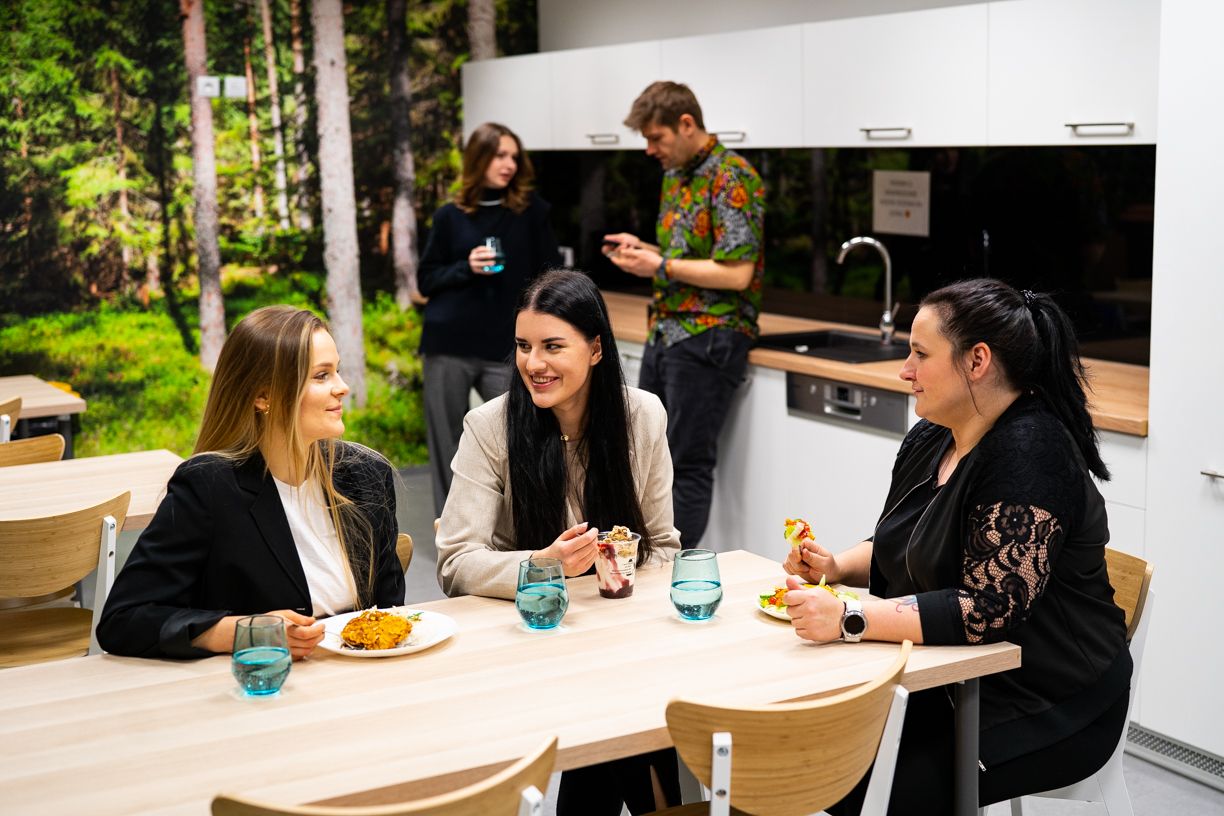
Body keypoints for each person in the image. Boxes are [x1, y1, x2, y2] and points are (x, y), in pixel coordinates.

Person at [781, 279, 1131, 814]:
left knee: (854, 781)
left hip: (1044, 698)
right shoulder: (933, 436)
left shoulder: (1029, 453)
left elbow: (984, 610)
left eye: (919, 354)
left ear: (977, 361)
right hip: (947, 675)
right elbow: (901, 541)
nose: (904, 369)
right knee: (807, 746)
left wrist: (850, 618)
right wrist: (834, 567)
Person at [435, 269, 681, 815]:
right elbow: (454, 563)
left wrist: (621, 590)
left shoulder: (642, 416)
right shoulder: (489, 426)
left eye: (552, 346)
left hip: (620, 649)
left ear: (595, 350)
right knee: (621, 734)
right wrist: (541, 566)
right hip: (529, 647)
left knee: (617, 716)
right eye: (523, 346)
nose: (532, 363)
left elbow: (663, 545)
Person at [97, 306, 405, 660]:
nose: (343, 388)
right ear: (264, 396)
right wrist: (245, 632)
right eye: (321, 376)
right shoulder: (209, 487)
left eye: (338, 371)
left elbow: (389, 611)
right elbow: (123, 620)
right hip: (263, 688)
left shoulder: (366, 475)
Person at [604, 80, 765, 550]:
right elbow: (688, 256)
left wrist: (660, 264)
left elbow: (736, 273)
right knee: (650, 456)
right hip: (668, 330)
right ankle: (646, 558)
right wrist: (646, 253)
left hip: (709, 336)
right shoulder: (676, 175)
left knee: (688, 461)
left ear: (687, 124)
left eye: (657, 138)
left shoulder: (733, 177)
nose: (651, 149)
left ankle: (675, 569)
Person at [418, 121, 561, 518]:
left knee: (521, 437)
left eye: (514, 156)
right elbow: (426, 279)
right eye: (500, 155)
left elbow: (553, 275)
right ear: (478, 158)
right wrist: (465, 267)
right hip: (448, 344)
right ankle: (453, 532)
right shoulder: (449, 216)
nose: (509, 164)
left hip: (506, 346)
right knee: (446, 443)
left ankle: (517, 523)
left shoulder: (532, 212)